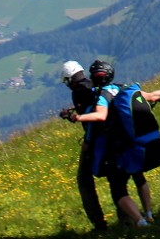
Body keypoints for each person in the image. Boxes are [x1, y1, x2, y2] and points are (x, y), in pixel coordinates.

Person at [69, 59, 160, 228]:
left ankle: (140, 222)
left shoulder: (102, 96)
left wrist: (77, 117)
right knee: (139, 178)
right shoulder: (125, 89)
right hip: (136, 144)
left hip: (119, 150)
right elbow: (153, 96)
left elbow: (101, 116)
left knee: (118, 191)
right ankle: (149, 214)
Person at [59, 60, 111, 231]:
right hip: (112, 135)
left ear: (69, 79)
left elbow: (90, 119)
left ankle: (99, 222)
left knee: (84, 180)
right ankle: (127, 217)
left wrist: (88, 143)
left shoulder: (79, 92)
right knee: (116, 178)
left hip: (95, 139)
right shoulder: (93, 85)